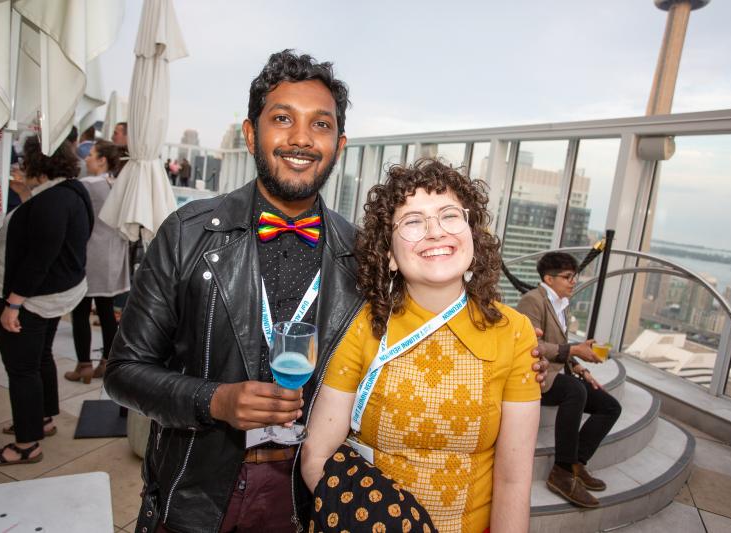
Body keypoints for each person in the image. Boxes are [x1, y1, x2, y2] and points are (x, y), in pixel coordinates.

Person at [104, 50, 360, 533]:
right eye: (282, 118)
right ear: (250, 134)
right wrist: (214, 401)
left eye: (320, 125)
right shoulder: (185, 232)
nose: (301, 138)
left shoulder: (363, 256)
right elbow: (123, 371)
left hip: (312, 488)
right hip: (196, 487)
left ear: (339, 143)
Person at [301, 159, 542, 533]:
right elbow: (316, 456)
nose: (434, 232)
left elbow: (513, 481)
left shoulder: (515, 332)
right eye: (413, 221)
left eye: (449, 216)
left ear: (473, 235)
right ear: (390, 255)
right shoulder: (361, 326)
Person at [0, 136, 94, 466]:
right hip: (60, 292)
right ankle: (43, 418)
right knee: (40, 357)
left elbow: (40, 256)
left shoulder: (51, 203)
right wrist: (25, 196)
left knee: (22, 369)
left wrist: (14, 303)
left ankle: (26, 444)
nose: (20, 167)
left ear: (38, 165)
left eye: (24, 161)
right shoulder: (72, 191)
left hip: (35, 299)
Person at [516, 251, 622, 508]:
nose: (573, 281)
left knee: (610, 406)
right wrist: (574, 350)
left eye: (574, 276)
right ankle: (562, 472)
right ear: (548, 279)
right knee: (575, 391)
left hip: (558, 372)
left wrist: (579, 367)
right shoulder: (533, 300)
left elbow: (560, 346)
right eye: (567, 277)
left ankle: (576, 462)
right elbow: (533, 345)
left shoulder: (561, 303)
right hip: (535, 374)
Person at [66, 140, 131, 383]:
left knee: (81, 311)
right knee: (106, 311)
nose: (87, 159)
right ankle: (106, 360)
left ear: (103, 160)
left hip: (89, 253)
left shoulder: (87, 185)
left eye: (91, 154)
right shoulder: (117, 185)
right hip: (112, 255)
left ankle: (83, 364)